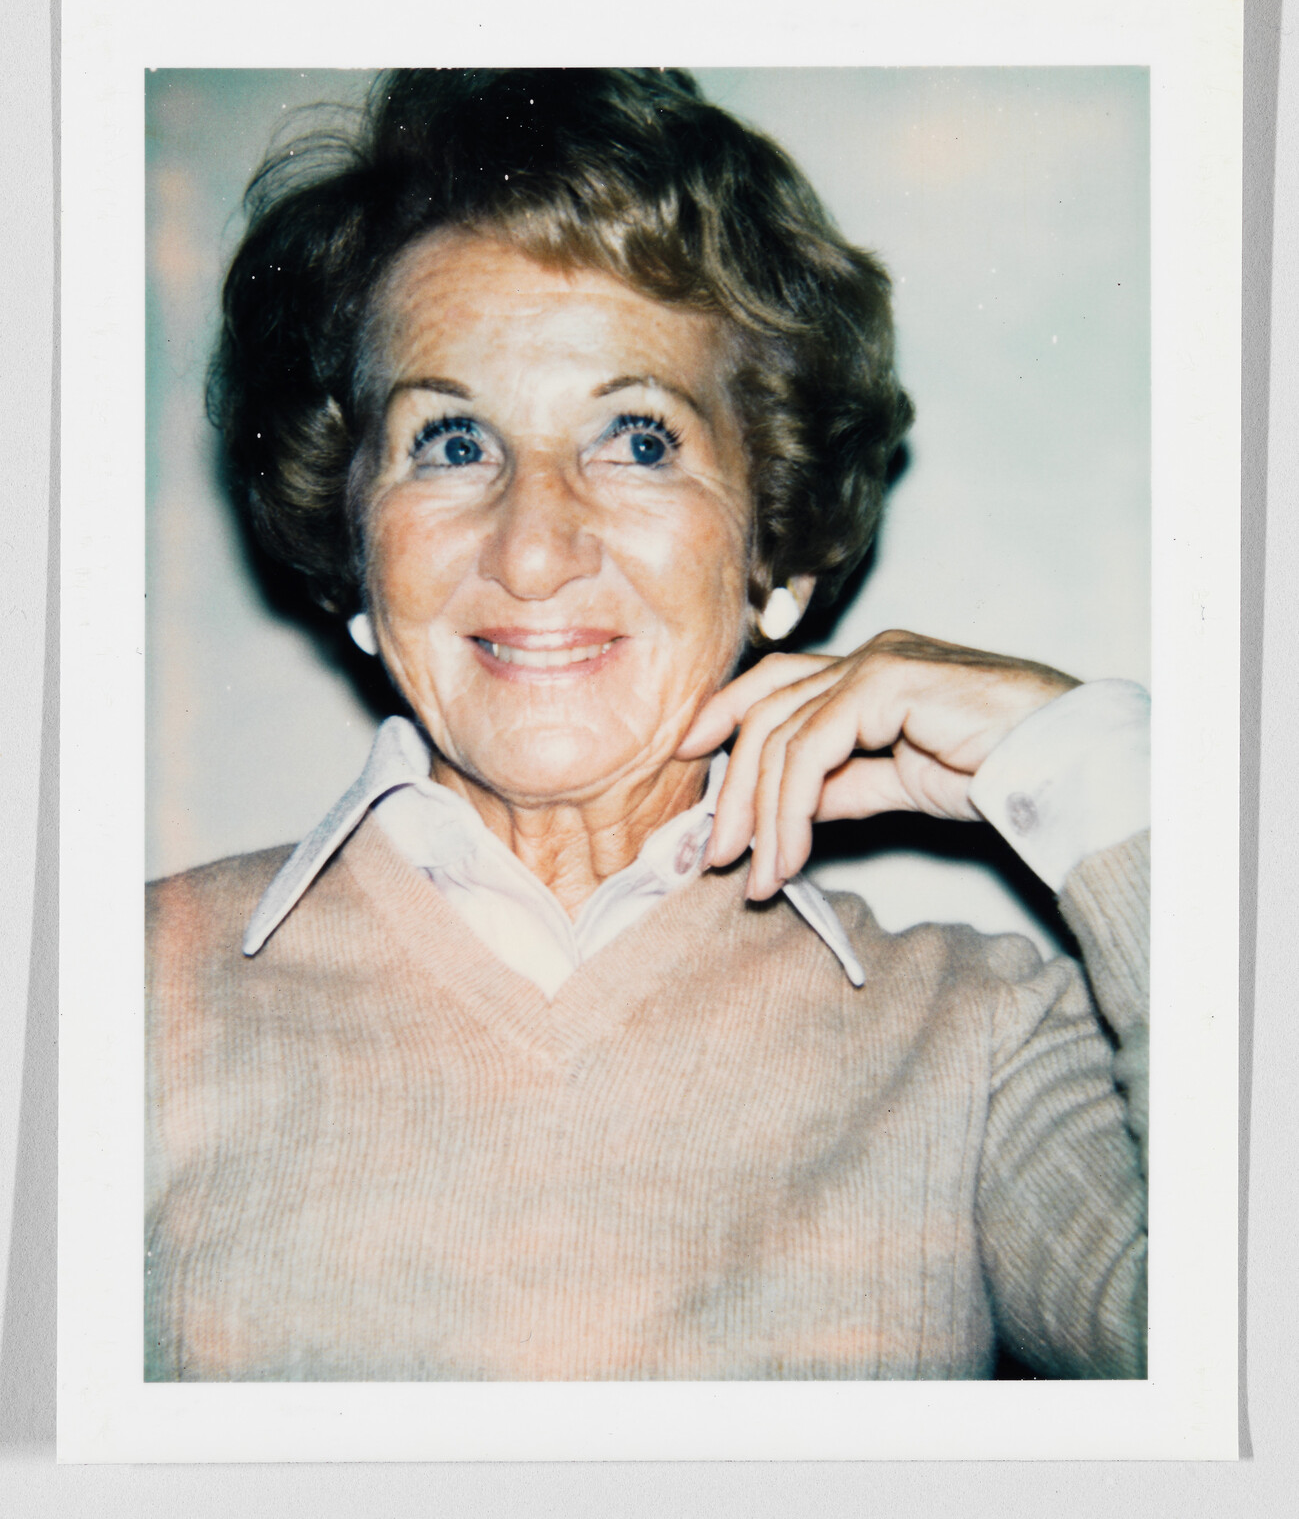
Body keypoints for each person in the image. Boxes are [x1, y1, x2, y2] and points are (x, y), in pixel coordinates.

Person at [145, 68, 1149, 1382]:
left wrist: (1082, 768)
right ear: (354, 552)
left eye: (636, 438)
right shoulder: (114, 996)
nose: (538, 545)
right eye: (452, 442)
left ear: (773, 545)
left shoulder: (975, 1035)